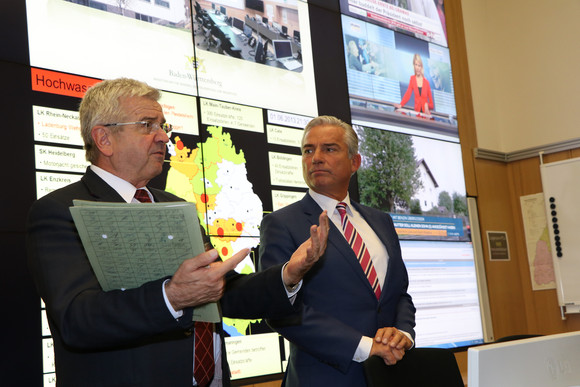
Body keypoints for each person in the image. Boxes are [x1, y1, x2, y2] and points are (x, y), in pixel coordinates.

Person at [26, 78, 329, 387]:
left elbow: (223, 293)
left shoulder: (174, 204)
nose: (163, 137)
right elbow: (78, 320)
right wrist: (172, 296)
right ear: (104, 139)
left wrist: (288, 274)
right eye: (147, 125)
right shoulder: (60, 211)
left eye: (163, 126)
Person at [258, 116, 416, 386]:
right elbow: (279, 310)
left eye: (329, 149)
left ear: (355, 162)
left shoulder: (381, 222)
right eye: (308, 150)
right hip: (323, 378)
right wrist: (365, 346)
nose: (316, 158)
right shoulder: (281, 224)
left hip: (390, 374)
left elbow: (398, 293)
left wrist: (403, 333)